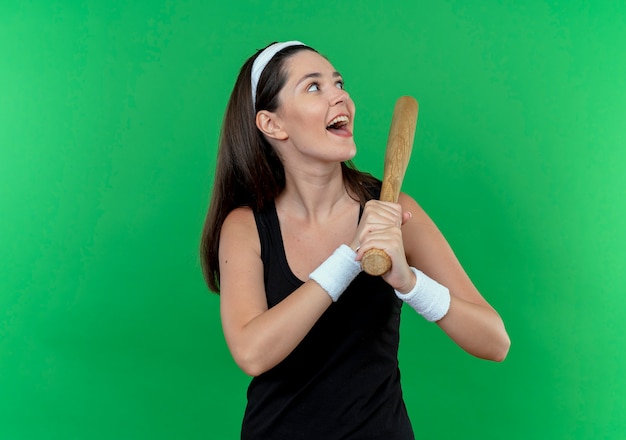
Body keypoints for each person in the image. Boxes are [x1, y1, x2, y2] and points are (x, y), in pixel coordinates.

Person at [200, 41, 510, 439]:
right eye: (314, 87)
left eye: (339, 82)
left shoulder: (392, 211)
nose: (340, 96)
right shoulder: (246, 226)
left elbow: (495, 341)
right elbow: (252, 352)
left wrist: (409, 284)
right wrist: (350, 256)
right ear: (272, 124)